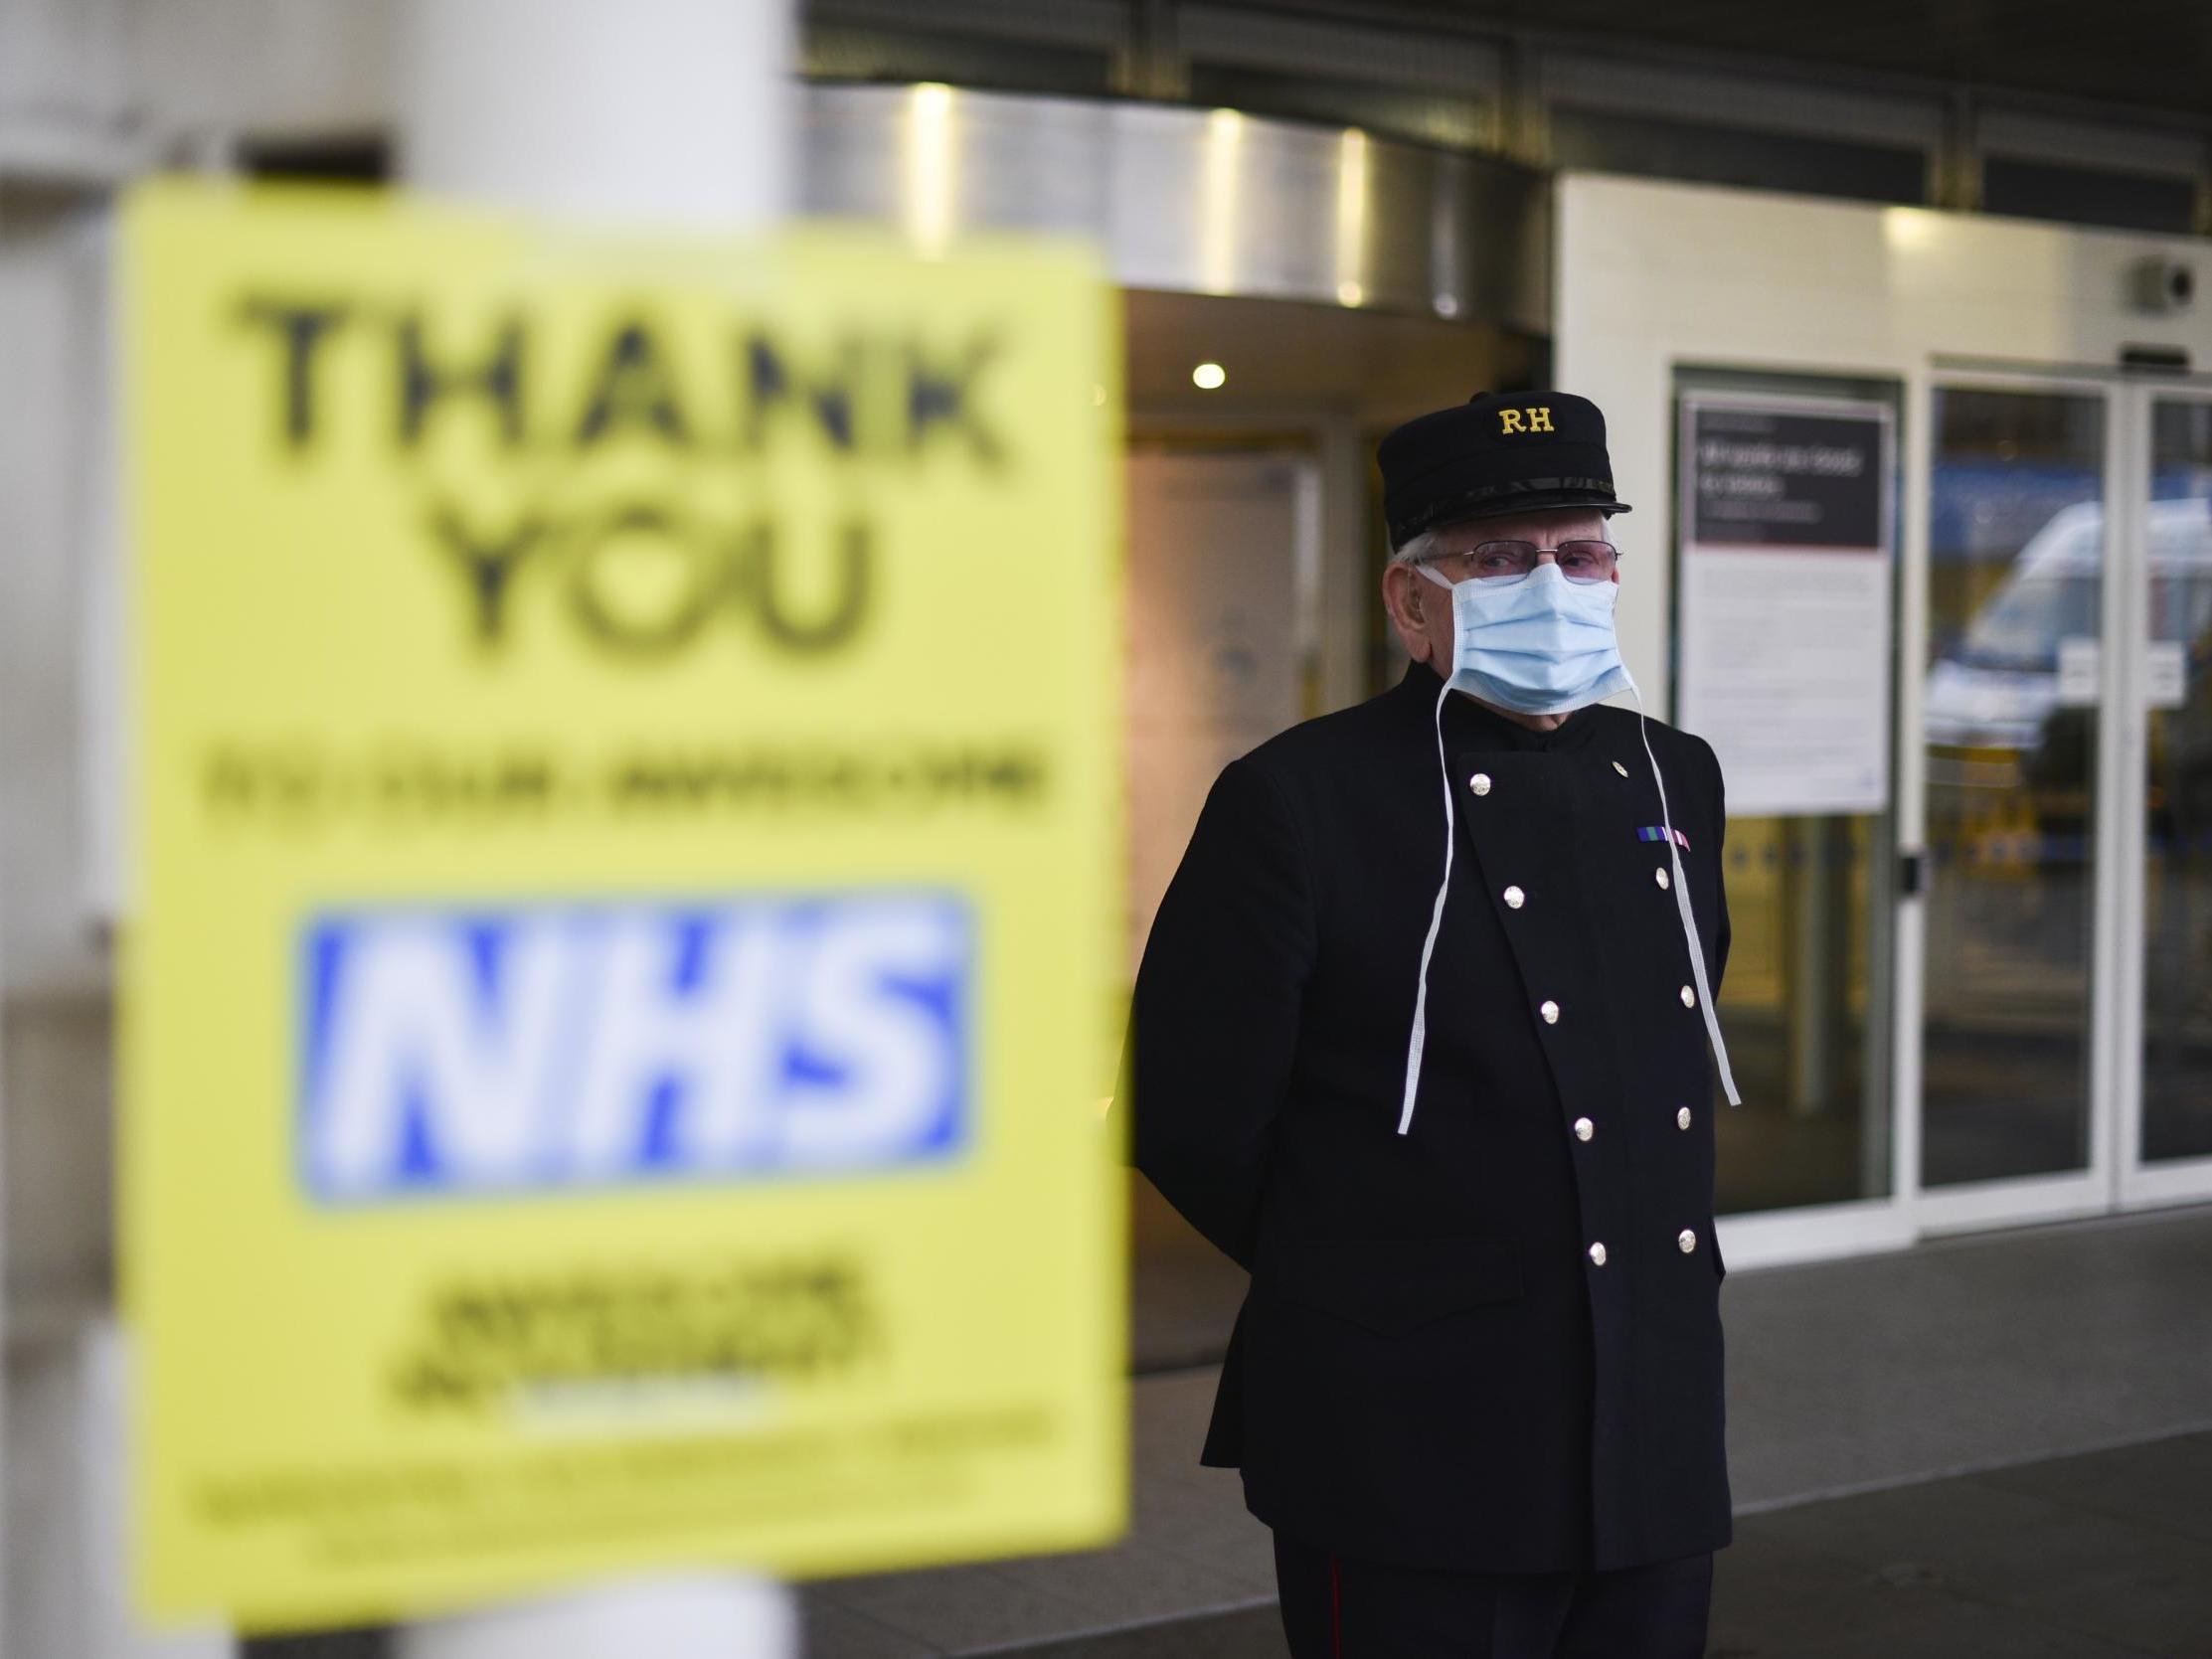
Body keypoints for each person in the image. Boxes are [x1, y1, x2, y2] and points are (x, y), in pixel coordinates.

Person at [1125, 391, 1740, 1657]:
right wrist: (1380, 1260)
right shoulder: (1297, 801)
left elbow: (1664, 1044)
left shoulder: (1672, 773)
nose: (1551, 585)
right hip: (1409, 1428)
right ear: (1412, 603)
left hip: (1650, 1417)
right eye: (1501, 561)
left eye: (1578, 556)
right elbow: (1190, 1115)